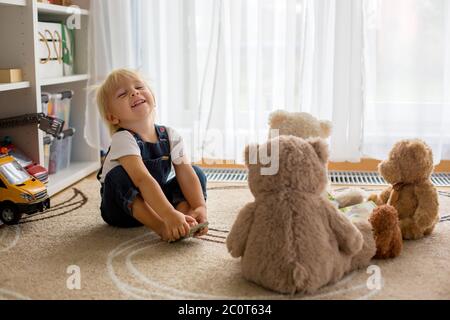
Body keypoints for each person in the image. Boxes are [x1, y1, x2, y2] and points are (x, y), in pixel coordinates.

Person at [96, 69, 208, 242]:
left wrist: (200, 206)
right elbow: (142, 179)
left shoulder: (171, 135)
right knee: (116, 176)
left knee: (195, 172)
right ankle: (162, 226)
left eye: (139, 86)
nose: (134, 92)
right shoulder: (123, 138)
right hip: (123, 208)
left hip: (155, 202)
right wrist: (167, 213)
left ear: (153, 99)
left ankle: (186, 218)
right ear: (113, 117)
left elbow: (185, 173)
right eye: (123, 94)